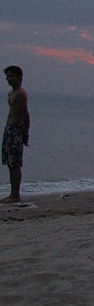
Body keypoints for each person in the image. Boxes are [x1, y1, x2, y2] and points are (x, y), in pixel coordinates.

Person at [3, 65, 30, 203]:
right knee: (9, 162)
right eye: (7, 76)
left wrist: (25, 134)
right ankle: (12, 193)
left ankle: (15, 194)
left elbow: (25, 115)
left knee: (15, 163)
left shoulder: (21, 94)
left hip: (16, 131)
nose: (9, 79)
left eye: (12, 76)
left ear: (19, 78)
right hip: (10, 129)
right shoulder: (11, 93)